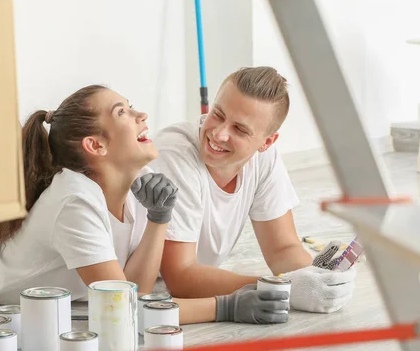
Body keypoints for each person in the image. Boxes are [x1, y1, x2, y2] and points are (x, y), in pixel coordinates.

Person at [0, 84, 290, 325]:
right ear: (95, 146)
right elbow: (121, 310)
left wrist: (158, 219)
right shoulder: (76, 201)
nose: (141, 115)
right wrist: (222, 308)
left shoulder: (133, 188)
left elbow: (134, 286)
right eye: (124, 112)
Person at [151, 67, 357, 314]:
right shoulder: (175, 155)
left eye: (239, 129)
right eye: (217, 114)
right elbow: (179, 277)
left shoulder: (264, 158)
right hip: (139, 299)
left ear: (267, 142)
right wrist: (281, 287)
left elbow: (282, 249)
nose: (218, 133)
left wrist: (315, 278)